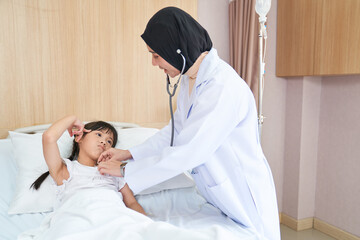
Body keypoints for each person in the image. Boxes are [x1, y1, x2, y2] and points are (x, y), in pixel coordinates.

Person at [97, 7, 280, 240]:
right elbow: (175, 132)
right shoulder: (190, 79)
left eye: (155, 55)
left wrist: (125, 172)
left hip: (243, 193)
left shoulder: (222, 87)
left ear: (176, 50)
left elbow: (190, 151)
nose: (154, 64)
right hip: (219, 194)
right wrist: (129, 153)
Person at [31, 115, 146, 215]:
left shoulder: (114, 172)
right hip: (78, 216)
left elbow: (131, 203)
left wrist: (145, 225)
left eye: (109, 141)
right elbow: (49, 137)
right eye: (99, 135)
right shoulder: (66, 170)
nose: (104, 142)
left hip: (112, 215)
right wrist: (72, 118)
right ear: (79, 138)